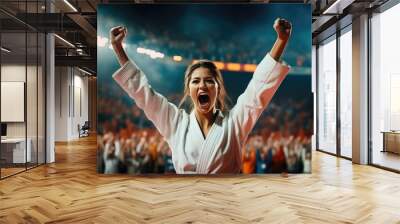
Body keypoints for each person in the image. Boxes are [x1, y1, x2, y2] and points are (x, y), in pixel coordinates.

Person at [110, 18, 292, 174]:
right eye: (195, 81)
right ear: (188, 89)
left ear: (218, 88)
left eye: (209, 81)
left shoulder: (234, 123)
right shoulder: (176, 123)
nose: (202, 85)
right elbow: (143, 93)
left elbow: (257, 90)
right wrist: (118, 48)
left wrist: (281, 40)